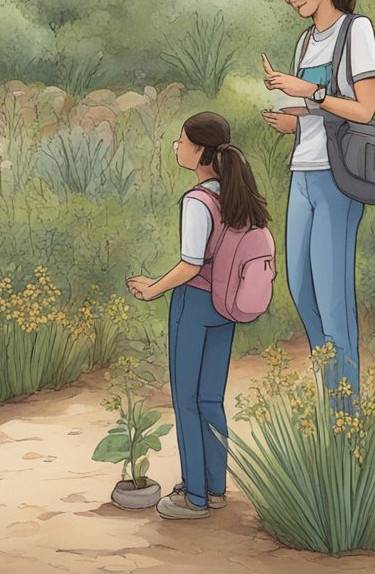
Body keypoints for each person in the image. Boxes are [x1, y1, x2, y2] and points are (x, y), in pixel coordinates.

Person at [254, 0, 375, 402]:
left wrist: (306, 91)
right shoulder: (306, 40)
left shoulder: (356, 30)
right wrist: (293, 118)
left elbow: (364, 110)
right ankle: (333, 397)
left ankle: (345, 416)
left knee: (332, 298)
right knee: (302, 289)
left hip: (338, 176)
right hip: (303, 171)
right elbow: (322, 111)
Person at [127, 112, 271, 520]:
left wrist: (153, 287)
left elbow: (191, 264)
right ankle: (213, 485)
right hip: (225, 306)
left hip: (194, 305)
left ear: (201, 151)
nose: (177, 146)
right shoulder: (235, 195)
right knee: (210, 398)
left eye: (182, 141)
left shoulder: (198, 201)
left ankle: (193, 496)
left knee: (186, 401)